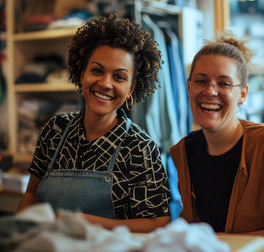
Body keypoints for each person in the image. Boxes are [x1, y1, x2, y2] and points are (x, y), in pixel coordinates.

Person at [169, 33, 264, 251]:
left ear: (242, 94)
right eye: (201, 81)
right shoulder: (186, 150)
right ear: (188, 87)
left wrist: (215, 240)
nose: (210, 91)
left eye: (223, 83)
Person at [17, 14, 171, 233]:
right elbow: (31, 194)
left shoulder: (140, 149)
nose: (105, 84)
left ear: (131, 89)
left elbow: (158, 223)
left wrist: (84, 221)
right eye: (97, 71)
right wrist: (19, 231)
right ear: (82, 75)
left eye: (119, 77)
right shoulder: (54, 130)